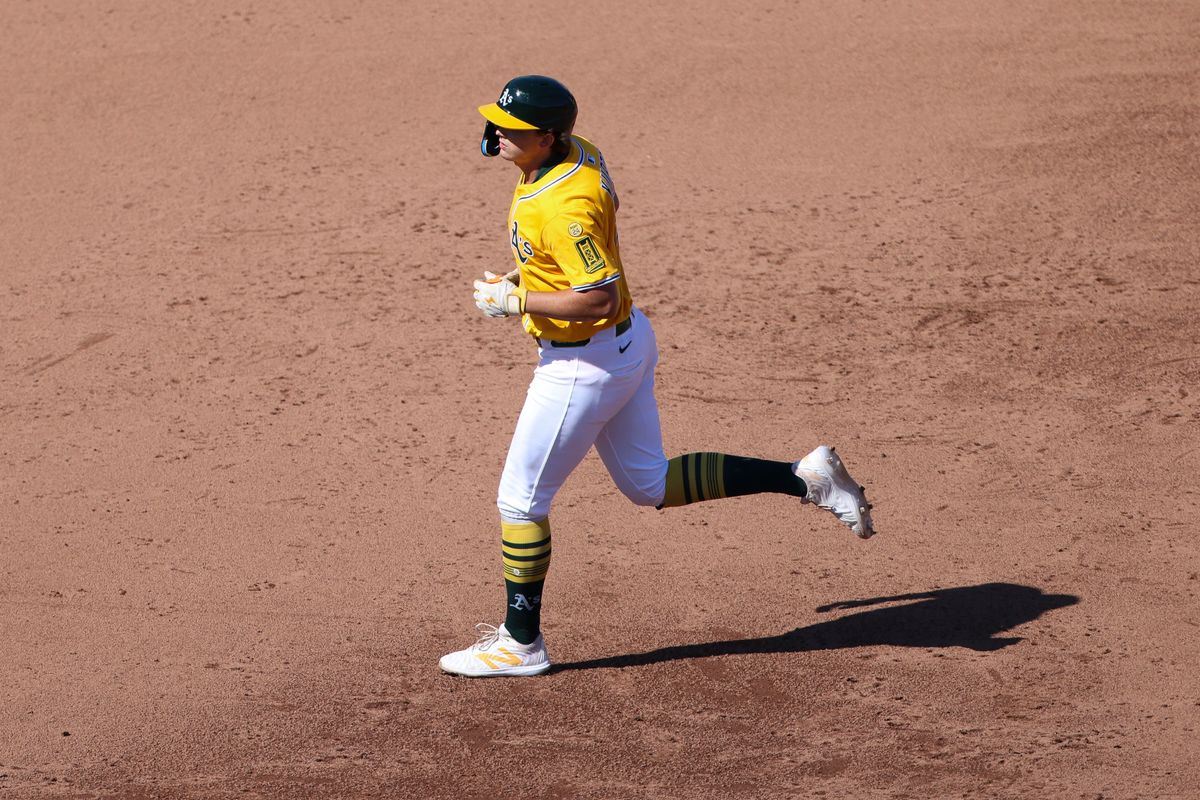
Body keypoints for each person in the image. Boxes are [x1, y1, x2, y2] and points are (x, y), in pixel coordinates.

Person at [439, 75, 875, 678]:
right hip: (626, 344)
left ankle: (520, 644)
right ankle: (805, 477)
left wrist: (517, 301)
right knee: (649, 485)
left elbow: (596, 296)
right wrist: (532, 273)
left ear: (547, 137)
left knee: (520, 501)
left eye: (512, 128)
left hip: (583, 364)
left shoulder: (563, 207)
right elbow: (598, 233)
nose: (497, 133)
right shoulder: (579, 152)